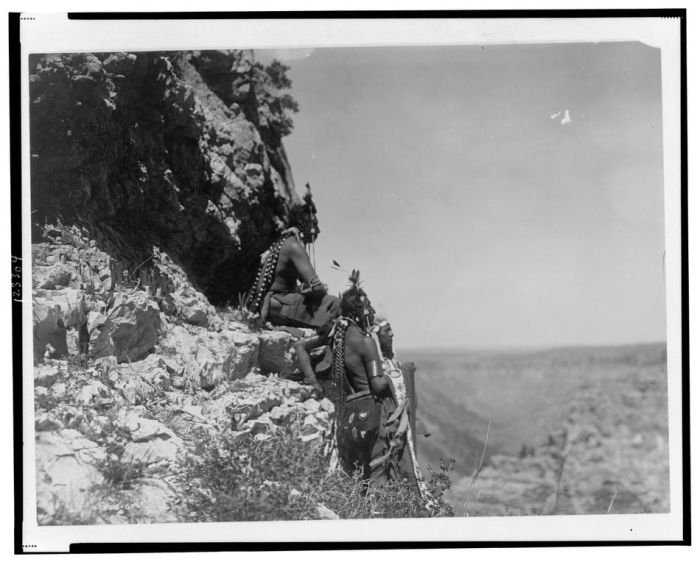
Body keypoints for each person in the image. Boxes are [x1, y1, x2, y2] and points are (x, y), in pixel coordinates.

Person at [246, 192, 339, 396]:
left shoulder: (283, 241)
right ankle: (317, 363)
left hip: (274, 302)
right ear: (306, 224)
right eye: (315, 223)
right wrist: (315, 290)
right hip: (278, 303)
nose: (318, 229)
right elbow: (318, 288)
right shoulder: (294, 246)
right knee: (333, 303)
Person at [330, 272, 406, 484]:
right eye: (369, 307)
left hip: (350, 415)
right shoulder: (365, 341)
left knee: (357, 476)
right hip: (372, 414)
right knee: (378, 473)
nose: (372, 311)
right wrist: (394, 379)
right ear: (360, 311)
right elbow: (378, 384)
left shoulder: (340, 338)